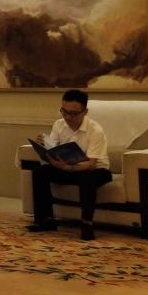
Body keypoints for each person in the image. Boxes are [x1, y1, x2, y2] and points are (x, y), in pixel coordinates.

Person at [26, 89, 111, 241]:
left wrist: (67, 168)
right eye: (64, 112)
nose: (68, 117)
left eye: (73, 114)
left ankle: (86, 224)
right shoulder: (59, 124)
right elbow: (53, 150)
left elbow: (91, 164)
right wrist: (44, 146)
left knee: (87, 178)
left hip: (96, 171)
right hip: (67, 167)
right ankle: (45, 220)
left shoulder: (95, 130)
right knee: (39, 172)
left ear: (85, 112)